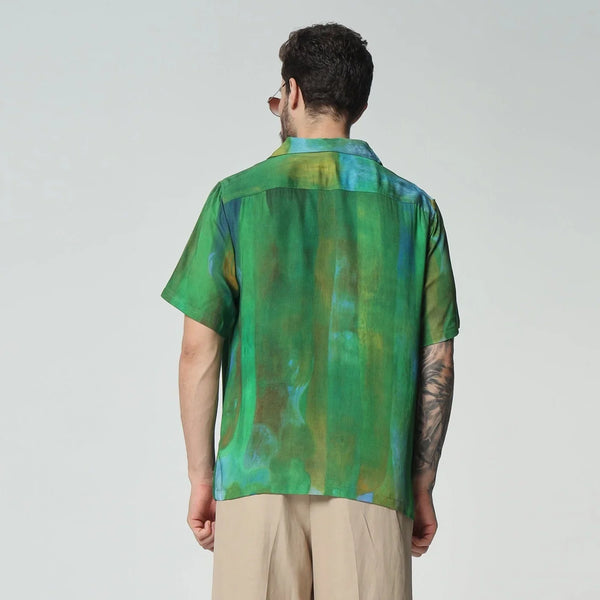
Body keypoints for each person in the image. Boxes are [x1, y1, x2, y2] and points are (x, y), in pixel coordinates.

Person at [160, 22, 460, 600]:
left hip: (257, 477)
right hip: (372, 481)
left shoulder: (236, 199)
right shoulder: (414, 210)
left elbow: (198, 350)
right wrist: (421, 483)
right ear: (361, 104)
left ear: (292, 92)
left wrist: (202, 477)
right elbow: (437, 361)